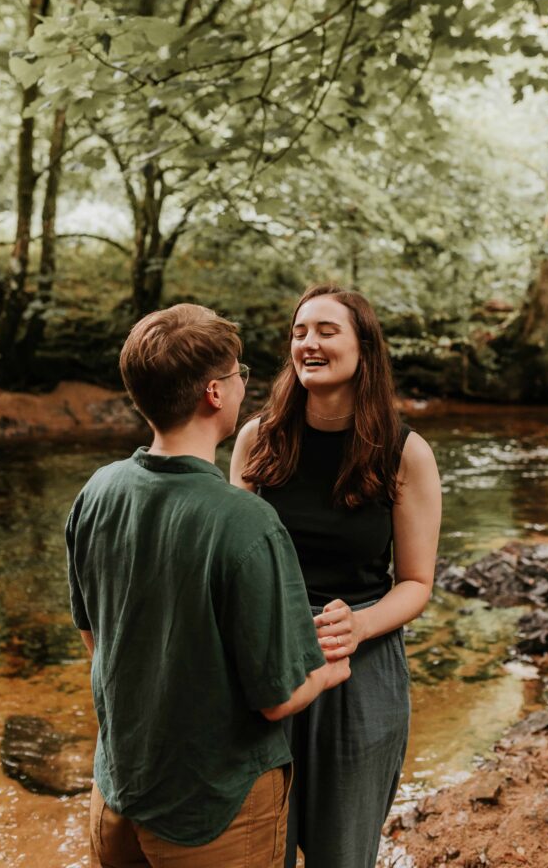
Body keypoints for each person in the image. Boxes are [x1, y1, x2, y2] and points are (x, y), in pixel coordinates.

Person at [65, 303, 351, 868]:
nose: (245, 384)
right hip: (215, 813)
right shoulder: (245, 521)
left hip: (117, 793)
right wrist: (330, 668)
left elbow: (94, 639)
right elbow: (277, 697)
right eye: (239, 374)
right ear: (214, 394)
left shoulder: (97, 491)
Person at [230, 284, 442, 868]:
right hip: (267, 666)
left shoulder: (404, 453)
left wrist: (361, 624)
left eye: (327, 330)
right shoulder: (257, 439)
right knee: (258, 850)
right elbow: (231, 566)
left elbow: (417, 583)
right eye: (300, 332)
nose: (309, 343)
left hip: (360, 671)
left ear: (363, 350)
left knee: (342, 856)